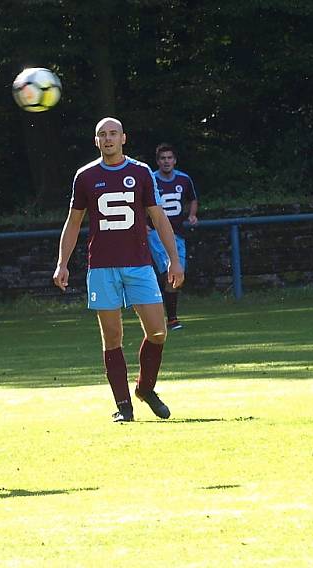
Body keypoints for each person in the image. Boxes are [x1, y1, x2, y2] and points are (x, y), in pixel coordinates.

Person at [53, 117, 184, 422]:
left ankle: (145, 388)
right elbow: (73, 222)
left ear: (124, 138)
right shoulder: (85, 176)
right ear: (96, 141)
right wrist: (62, 263)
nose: (108, 138)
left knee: (158, 331)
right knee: (112, 338)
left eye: (113, 133)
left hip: (139, 265)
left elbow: (158, 217)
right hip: (101, 267)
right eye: (102, 134)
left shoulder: (140, 172)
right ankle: (124, 406)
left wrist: (173, 259)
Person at [149, 143, 199, 330]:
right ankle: (167, 318)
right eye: (163, 158)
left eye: (169, 158)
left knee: (178, 275)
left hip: (177, 233)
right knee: (167, 272)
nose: (166, 161)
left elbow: (192, 198)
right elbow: (139, 202)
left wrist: (192, 215)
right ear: (158, 161)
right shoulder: (151, 179)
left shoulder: (184, 180)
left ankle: (170, 318)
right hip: (155, 233)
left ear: (175, 160)